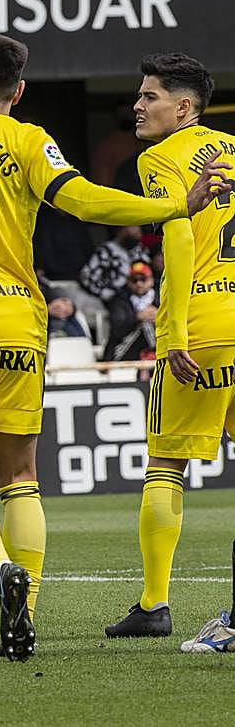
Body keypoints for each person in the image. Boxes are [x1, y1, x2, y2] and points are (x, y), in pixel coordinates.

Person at [0, 33, 226, 661]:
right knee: (22, 480)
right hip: (18, 325)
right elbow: (87, 202)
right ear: (18, 90)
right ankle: (28, 611)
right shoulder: (29, 139)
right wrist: (175, 204)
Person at [105, 53, 235, 639]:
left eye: (149, 96)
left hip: (202, 325)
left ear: (183, 108)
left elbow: (178, 238)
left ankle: (154, 604)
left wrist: (171, 330)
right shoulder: (232, 148)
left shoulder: (160, 157)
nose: (138, 105)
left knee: (165, 465)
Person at [103, 261, 158, 362]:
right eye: (134, 280)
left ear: (151, 280)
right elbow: (117, 328)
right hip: (125, 352)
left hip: (157, 351)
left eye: (143, 279)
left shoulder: (161, 298)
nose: (139, 283)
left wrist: (160, 317)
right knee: (144, 324)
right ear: (128, 282)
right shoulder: (119, 300)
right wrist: (137, 317)